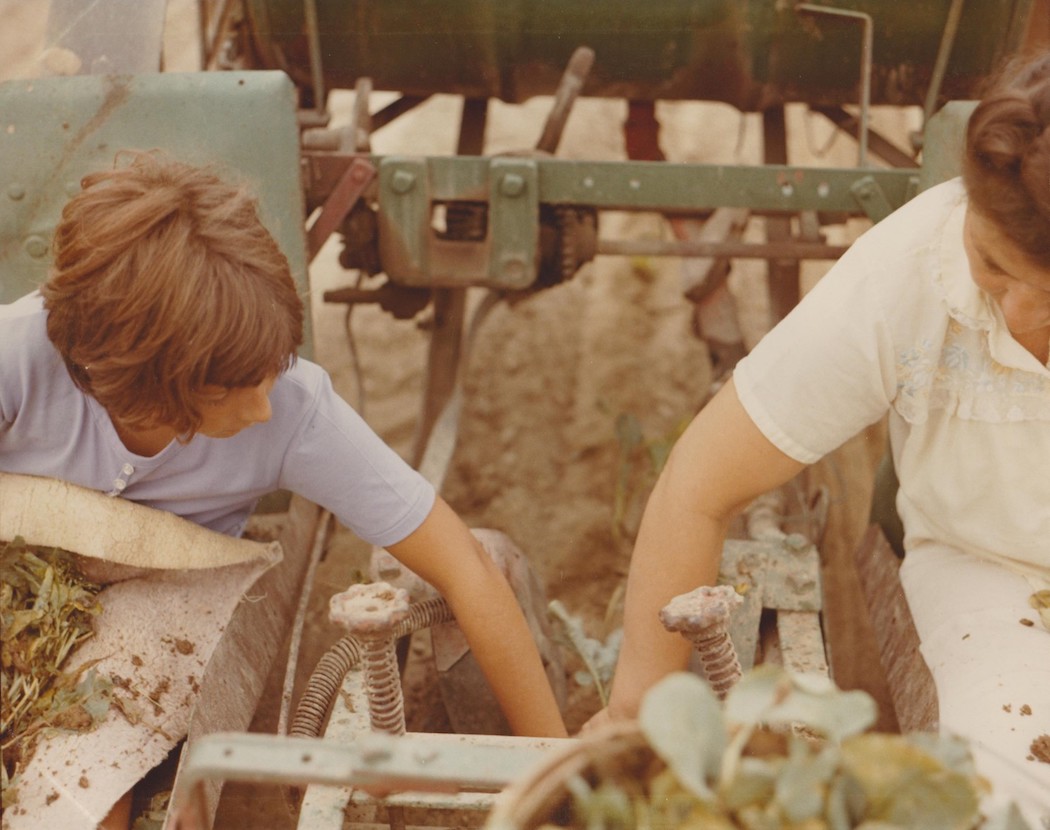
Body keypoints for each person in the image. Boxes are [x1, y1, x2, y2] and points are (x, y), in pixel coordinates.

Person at [0, 151, 567, 829]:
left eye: (274, 372)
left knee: (80, 781)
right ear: (151, 388)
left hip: (159, 602)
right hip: (20, 573)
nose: (265, 406)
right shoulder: (17, 360)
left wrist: (562, 772)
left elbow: (463, 567)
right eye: (238, 388)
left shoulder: (294, 410)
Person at [589, 52, 1050, 826]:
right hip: (992, 577)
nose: (1012, 311)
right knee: (1014, 797)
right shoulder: (909, 273)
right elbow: (699, 486)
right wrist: (636, 713)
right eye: (990, 270)